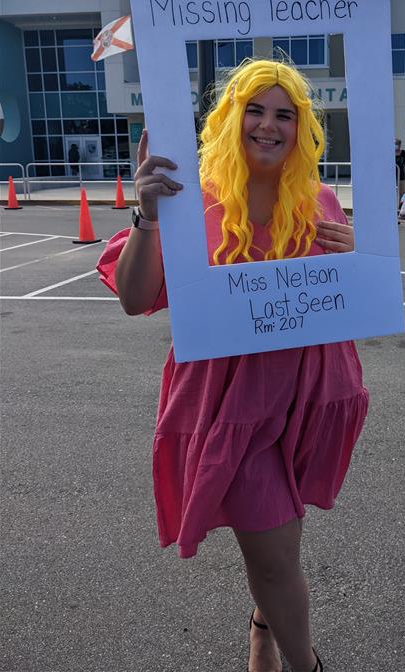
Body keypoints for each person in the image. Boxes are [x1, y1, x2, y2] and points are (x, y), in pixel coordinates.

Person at [97, 60, 369, 672]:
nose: (268, 125)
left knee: (281, 547)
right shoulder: (190, 197)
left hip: (309, 395)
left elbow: (347, 303)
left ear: (301, 129)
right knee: (272, 554)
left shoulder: (320, 198)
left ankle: (260, 626)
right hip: (229, 404)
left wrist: (362, 261)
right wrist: (146, 216)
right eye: (254, 108)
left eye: (284, 114)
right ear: (229, 117)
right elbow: (135, 298)